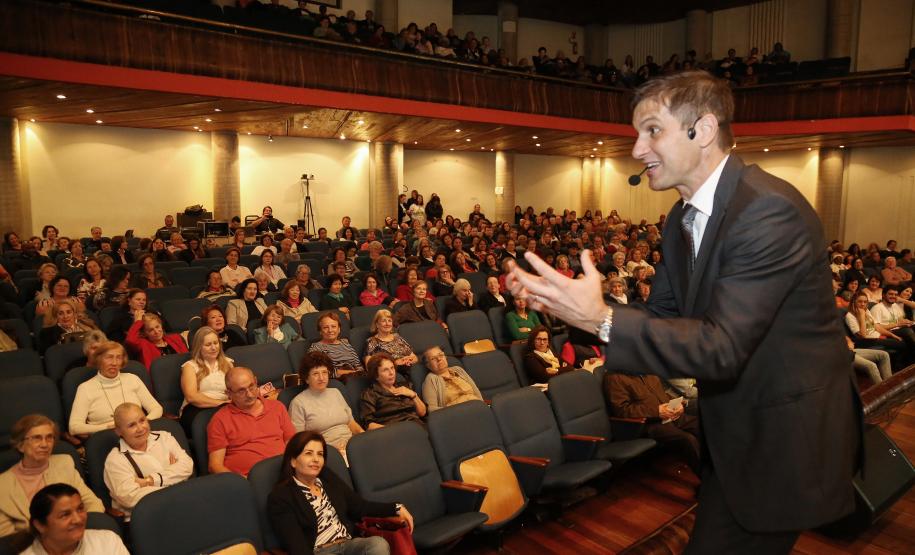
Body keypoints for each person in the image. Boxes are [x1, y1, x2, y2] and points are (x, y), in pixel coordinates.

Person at [506, 71, 860, 553]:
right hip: (734, 438)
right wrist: (572, 307)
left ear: (704, 129)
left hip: (781, 443)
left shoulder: (766, 211)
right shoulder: (681, 218)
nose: (637, 149)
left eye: (652, 130)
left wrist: (601, 318)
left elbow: (720, 348)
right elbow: (663, 318)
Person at [267, 431, 412, 555]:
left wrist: (396, 508)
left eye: (320, 454)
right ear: (293, 461)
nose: (316, 459)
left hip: (347, 544)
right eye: (308, 453)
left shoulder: (326, 477)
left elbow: (360, 506)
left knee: (377, 544)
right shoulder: (280, 497)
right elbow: (297, 548)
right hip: (320, 551)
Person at [0, 415, 103, 538]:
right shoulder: (3, 485)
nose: (45, 444)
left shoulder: (64, 463)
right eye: (37, 438)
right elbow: (6, 538)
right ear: (20, 445)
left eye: (49, 437)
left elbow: (93, 503)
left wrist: (80, 530)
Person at [102, 403, 193, 519]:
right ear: (118, 431)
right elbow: (129, 497)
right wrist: (174, 477)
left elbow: (187, 466)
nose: (140, 428)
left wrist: (149, 481)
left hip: (179, 506)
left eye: (142, 420)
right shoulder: (115, 460)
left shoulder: (164, 437)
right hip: (145, 517)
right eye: (131, 425)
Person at [604, 372, 701, 474]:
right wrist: (657, 411)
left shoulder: (647, 372)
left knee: (702, 427)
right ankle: (706, 477)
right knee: (688, 439)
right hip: (646, 424)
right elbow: (622, 411)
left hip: (668, 415)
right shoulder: (614, 377)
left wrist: (679, 404)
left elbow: (663, 395)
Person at [207, 366, 296, 477]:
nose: (249, 394)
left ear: (256, 381)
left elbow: (292, 444)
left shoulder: (277, 407)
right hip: (246, 479)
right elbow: (215, 466)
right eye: (241, 391)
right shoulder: (219, 420)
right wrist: (243, 481)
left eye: (251, 386)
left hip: (283, 474)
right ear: (229, 393)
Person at [68, 341, 163, 436]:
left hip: (139, 433)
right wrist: (107, 428)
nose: (114, 363)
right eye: (109, 357)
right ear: (99, 360)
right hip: (107, 437)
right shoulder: (85, 388)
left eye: (118, 358)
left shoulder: (133, 379)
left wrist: (142, 423)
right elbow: (74, 427)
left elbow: (156, 408)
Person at [288, 353, 364, 458]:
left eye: (324, 372)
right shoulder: (298, 403)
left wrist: (364, 436)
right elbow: (300, 441)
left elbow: (351, 423)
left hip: (352, 446)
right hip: (325, 452)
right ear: (306, 378)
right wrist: (331, 451)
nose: (321, 378)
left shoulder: (336, 392)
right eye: (315, 374)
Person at [19, 483, 129, 555]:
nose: (78, 520)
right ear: (40, 525)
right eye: (65, 515)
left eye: (80, 509)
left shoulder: (108, 541)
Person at [179, 326, 233, 434]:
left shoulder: (228, 363)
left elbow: (236, 388)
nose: (213, 348)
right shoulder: (190, 366)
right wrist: (222, 403)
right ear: (199, 347)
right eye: (208, 345)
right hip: (196, 409)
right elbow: (191, 396)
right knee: (222, 423)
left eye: (216, 343)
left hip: (225, 407)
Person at [360, 353, 426, 429]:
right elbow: (369, 425)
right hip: (394, 431)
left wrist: (413, 395)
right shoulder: (370, 394)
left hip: (417, 426)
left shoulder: (404, 386)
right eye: (385, 370)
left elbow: (422, 413)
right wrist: (392, 431)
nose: (391, 373)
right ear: (376, 375)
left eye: (392, 368)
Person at [421, 346, 482, 411]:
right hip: (457, 414)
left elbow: (476, 392)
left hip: (478, 409)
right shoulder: (430, 379)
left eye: (441, 355)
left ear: (445, 357)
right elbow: (431, 409)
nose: (439, 359)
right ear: (428, 365)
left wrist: (483, 406)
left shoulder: (458, 370)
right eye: (433, 358)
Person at [307, 311, 363, 378]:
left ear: (339, 329)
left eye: (333, 326)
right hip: (337, 380)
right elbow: (319, 372)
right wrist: (350, 372)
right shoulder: (316, 348)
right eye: (325, 327)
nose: (330, 330)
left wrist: (359, 373)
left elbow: (358, 366)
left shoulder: (346, 343)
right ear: (320, 331)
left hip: (356, 377)